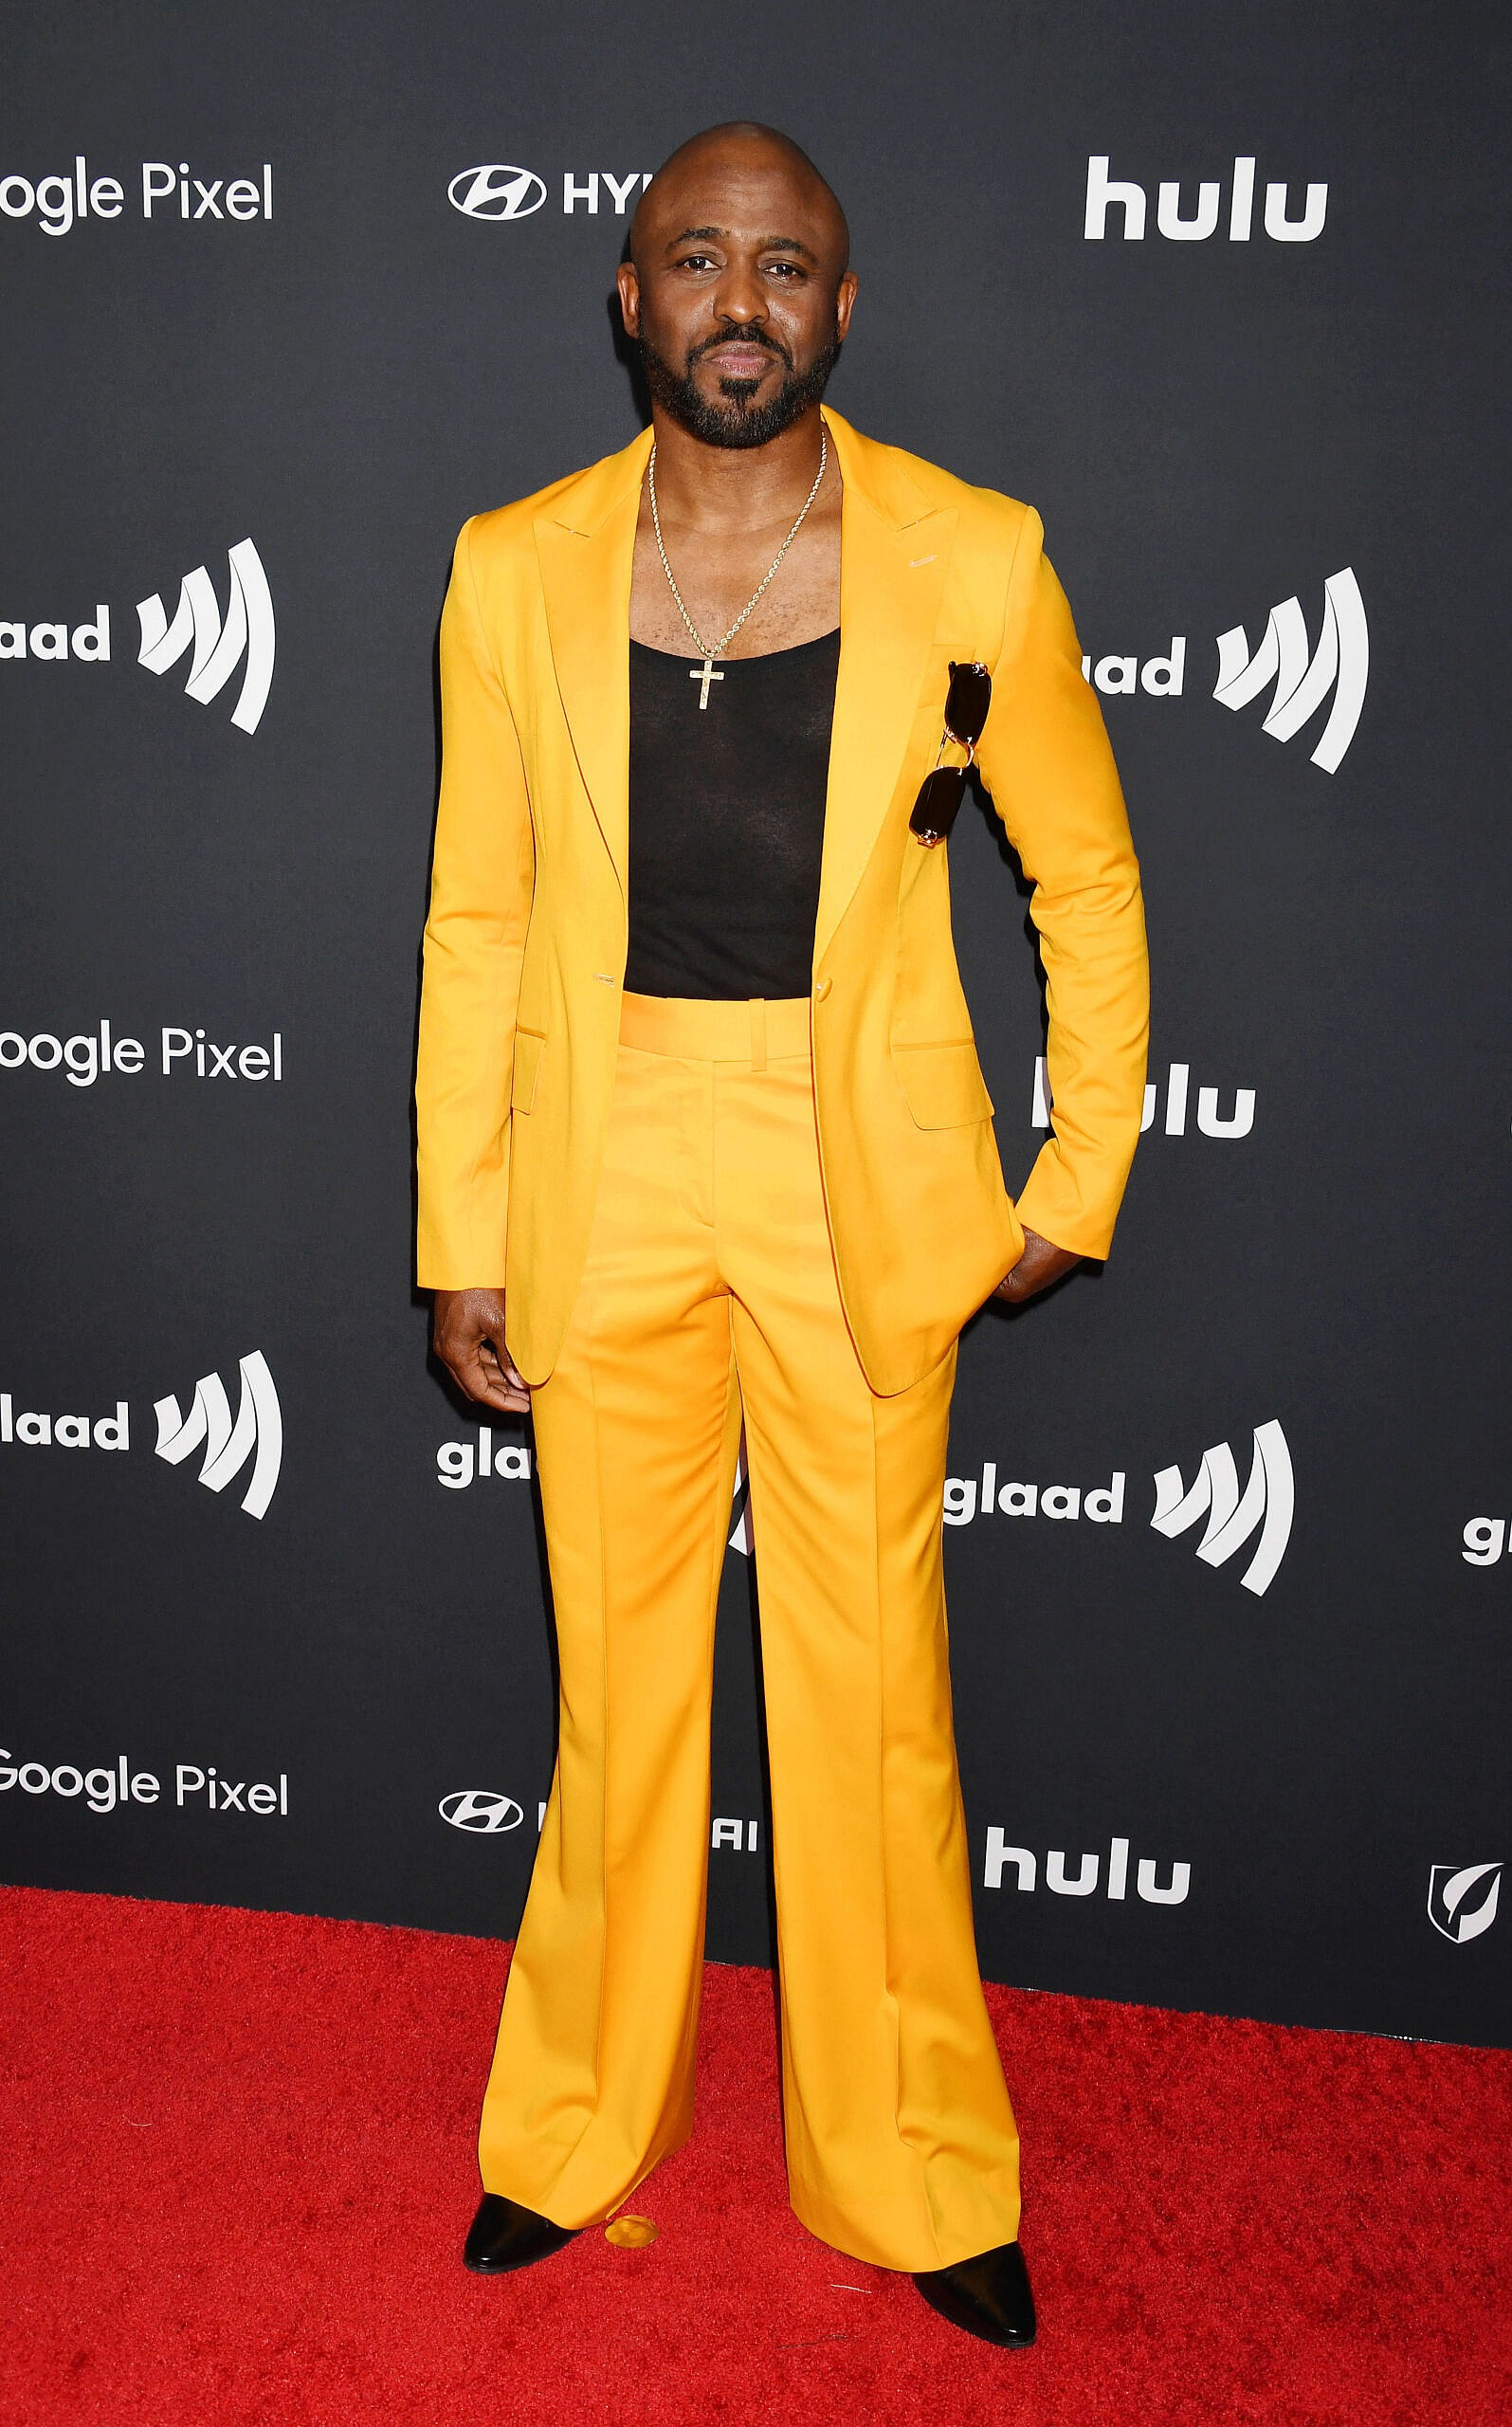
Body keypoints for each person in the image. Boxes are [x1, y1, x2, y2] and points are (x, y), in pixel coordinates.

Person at [416, 121, 1148, 2350]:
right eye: (701, 259)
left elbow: (1083, 878)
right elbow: (478, 909)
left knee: (872, 1705)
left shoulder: (975, 559)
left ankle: (915, 2165)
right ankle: (568, 2131)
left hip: (859, 1184)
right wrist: (462, 1215)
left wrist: (1075, 1168)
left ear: (845, 307)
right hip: (606, 1157)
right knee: (618, 1699)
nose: (745, 300)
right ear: (627, 295)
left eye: (790, 267)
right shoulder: (511, 565)